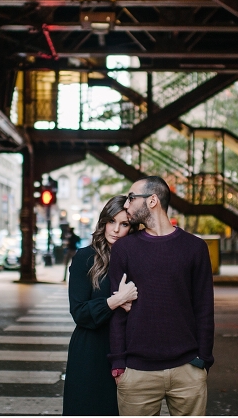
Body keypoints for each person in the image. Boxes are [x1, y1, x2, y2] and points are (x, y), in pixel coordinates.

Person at [109, 176, 214, 416]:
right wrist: (118, 364)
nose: (126, 205)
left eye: (131, 198)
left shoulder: (195, 248)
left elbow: (204, 308)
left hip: (188, 370)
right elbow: (118, 311)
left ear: (153, 200)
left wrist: (203, 361)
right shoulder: (124, 249)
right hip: (136, 373)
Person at [63, 196, 139, 416]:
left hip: (127, 349)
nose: (115, 230)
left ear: (132, 227)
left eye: (124, 224)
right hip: (90, 350)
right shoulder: (85, 258)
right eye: (111, 221)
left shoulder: (136, 259)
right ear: (103, 222)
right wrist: (116, 301)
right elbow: (79, 312)